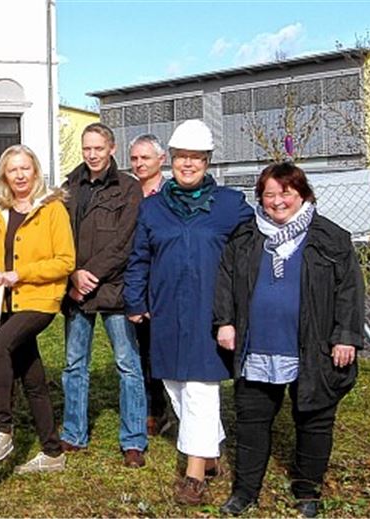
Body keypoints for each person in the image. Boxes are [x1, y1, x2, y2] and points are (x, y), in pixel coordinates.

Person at [214, 163, 363, 518]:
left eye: (286, 193)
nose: (278, 201)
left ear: (302, 195)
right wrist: (225, 322)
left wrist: (346, 336)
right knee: (251, 420)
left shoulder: (331, 237)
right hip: (257, 345)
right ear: (260, 198)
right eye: (269, 194)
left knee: (314, 419)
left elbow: (350, 291)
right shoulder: (245, 237)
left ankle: (306, 489)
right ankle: (246, 491)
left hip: (313, 347)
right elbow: (225, 281)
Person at [124, 119, 253, 505]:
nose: (188, 164)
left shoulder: (230, 206)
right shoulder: (153, 208)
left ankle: (194, 473)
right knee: (174, 383)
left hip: (210, 310)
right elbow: (138, 258)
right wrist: (135, 300)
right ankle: (210, 453)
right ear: (172, 161)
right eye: (182, 157)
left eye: (196, 158)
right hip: (165, 308)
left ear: (208, 161)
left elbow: (253, 250)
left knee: (200, 387)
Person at [0, 145, 75, 473]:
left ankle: (2, 428)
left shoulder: (52, 209)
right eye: (12, 169)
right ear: (4, 174)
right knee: (32, 376)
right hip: (6, 301)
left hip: (39, 300)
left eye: (25, 168)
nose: (19, 175)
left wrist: (22, 273)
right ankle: (52, 451)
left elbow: (65, 260)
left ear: (35, 171)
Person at [59, 122, 148, 468]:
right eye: (87, 149)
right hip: (77, 291)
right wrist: (73, 274)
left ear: (111, 149)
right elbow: (59, 234)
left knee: (128, 365)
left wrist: (90, 274)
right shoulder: (70, 186)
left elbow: (125, 241)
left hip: (113, 289)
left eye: (98, 148)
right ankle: (74, 432)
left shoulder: (128, 188)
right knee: (74, 364)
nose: (92, 155)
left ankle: (133, 440)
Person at [127, 133, 170, 436]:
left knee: (160, 348)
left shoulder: (169, 194)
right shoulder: (128, 193)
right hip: (134, 278)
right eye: (135, 159)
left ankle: (164, 407)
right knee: (140, 350)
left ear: (161, 160)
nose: (139, 164)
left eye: (145, 158)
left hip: (163, 281)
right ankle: (149, 409)